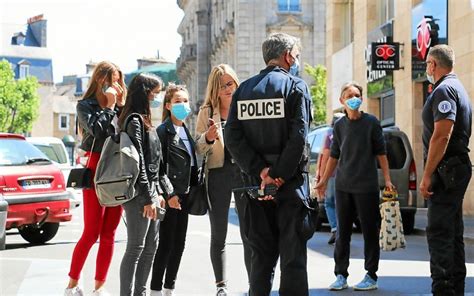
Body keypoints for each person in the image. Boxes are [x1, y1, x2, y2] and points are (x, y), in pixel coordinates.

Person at [225, 32, 313, 296]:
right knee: (292, 258)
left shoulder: (243, 90)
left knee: (261, 258)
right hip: (291, 185)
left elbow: (232, 136)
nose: (296, 61)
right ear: (287, 56)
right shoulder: (296, 87)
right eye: (296, 56)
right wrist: (279, 175)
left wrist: (260, 171)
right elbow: (298, 137)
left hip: (256, 187)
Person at [316, 81, 394, 292]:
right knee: (342, 233)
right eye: (350, 95)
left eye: (358, 94)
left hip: (366, 187)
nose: (354, 98)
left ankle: (371, 275)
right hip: (343, 186)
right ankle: (341, 274)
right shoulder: (339, 126)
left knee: (370, 231)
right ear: (342, 100)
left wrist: (387, 180)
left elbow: (382, 154)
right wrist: (323, 180)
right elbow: (334, 156)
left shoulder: (371, 123)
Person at [64, 61, 127, 296]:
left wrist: (120, 108)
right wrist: (110, 107)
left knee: (110, 232)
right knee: (91, 232)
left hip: (118, 168)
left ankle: (99, 287)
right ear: (101, 81)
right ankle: (72, 284)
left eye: (120, 80)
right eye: (114, 80)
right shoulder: (85, 106)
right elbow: (98, 131)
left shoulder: (123, 108)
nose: (118, 85)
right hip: (96, 169)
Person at [420, 44, 472, 296]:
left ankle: (444, 290)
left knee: (440, 235)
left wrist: (427, 175)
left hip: (445, 171)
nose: (426, 68)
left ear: (433, 64)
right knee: (452, 234)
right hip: (454, 169)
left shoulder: (444, 90)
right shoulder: (456, 87)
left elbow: (441, 136)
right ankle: (455, 290)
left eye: (427, 64)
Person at [118, 73, 174, 296]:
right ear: (145, 93)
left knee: (150, 247)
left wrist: (160, 191)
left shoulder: (146, 120)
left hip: (151, 191)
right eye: (155, 92)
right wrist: (148, 197)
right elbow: (139, 162)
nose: (157, 97)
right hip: (139, 195)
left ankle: (140, 292)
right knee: (136, 247)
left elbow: (155, 164)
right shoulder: (134, 120)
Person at [195, 64, 249, 295]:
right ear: (214, 90)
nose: (228, 89)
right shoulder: (207, 111)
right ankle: (221, 286)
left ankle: (253, 283)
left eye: (230, 83)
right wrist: (207, 137)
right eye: (222, 85)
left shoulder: (246, 108)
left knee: (249, 232)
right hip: (218, 173)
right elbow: (198, 147)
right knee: (219, 233)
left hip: (245, 173)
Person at [150, 84, 197, 296]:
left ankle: (170, 288)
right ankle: (156, 289)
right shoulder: (163, 132)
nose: (183, 105)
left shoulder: (186, 131)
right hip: (172, 196)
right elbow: (159, 168)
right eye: (178, 101)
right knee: (166, 244)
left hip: (185, 195)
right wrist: (169, 195)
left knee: (179, 244)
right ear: (168, 105)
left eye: (185, 101)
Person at [315, 113, 344, 245]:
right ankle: (342, 230)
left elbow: (326, 156)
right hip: (348, 175)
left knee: (329, 203)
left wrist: (321, 178)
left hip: (332, 175)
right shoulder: (348, 132)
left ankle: (335, 229)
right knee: (342, 204)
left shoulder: (329, 135)